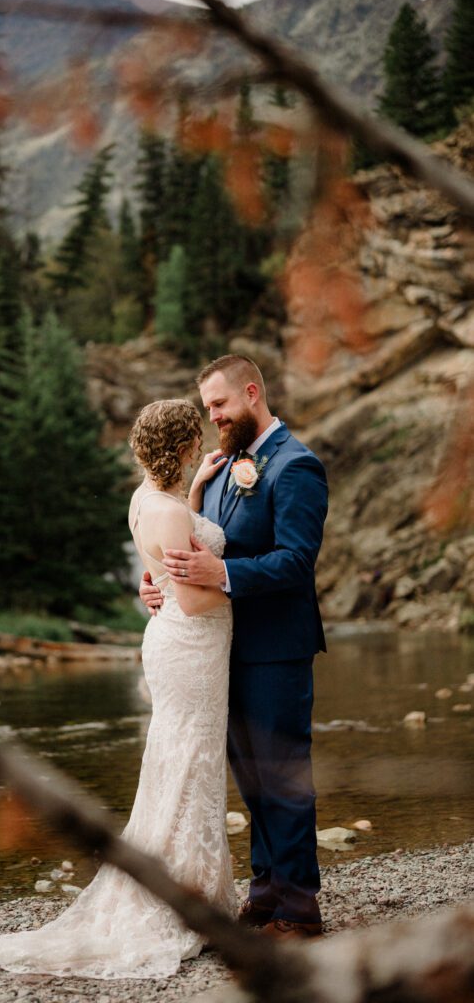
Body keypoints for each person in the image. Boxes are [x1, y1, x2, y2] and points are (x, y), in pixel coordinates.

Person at [0, 399, 237, 979]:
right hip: (192, 647)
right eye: (196, 442)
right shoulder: (170, 514)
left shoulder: (146, 501)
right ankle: (183, 903)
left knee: (176, 761)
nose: (202, 448)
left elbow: (154, 573)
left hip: (172, 644)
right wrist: (244, 591)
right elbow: (196, 595)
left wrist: (197, 495)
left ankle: (194, 891)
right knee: (190, 764)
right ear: (182, 447)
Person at [140, 354, 328, 941]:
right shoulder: (224, 468)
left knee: (283, 774)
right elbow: (190, 542)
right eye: (207, 409)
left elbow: (296, 561)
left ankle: (300, 909)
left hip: (275, 648)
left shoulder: (297, 466)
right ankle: (266, 890)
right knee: (250, 777)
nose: (214, 417)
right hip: (220, 651)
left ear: (252, 392)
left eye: (220, 405)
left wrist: (219, 575)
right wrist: (162, 584)